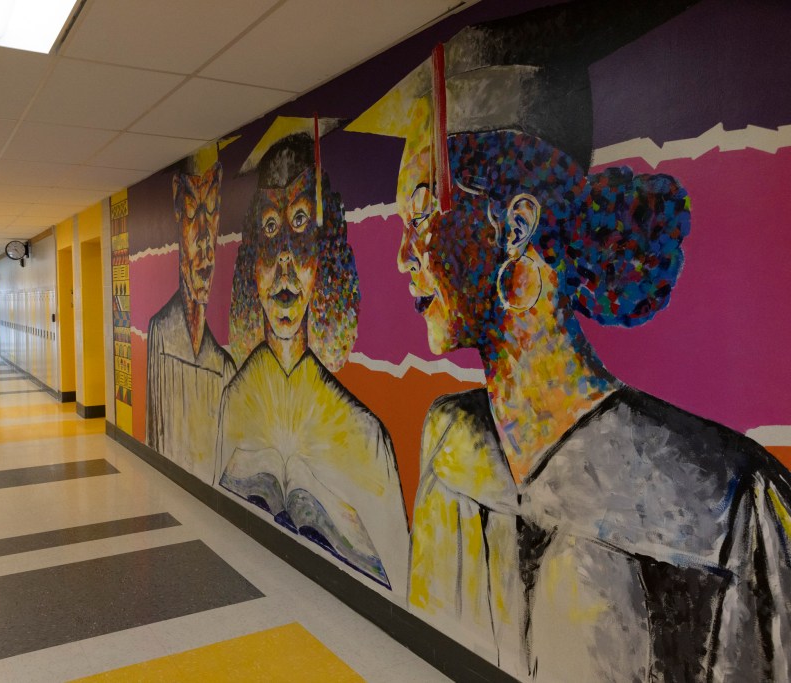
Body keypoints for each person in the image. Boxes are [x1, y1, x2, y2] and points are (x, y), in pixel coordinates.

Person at [347, 0, 791, 680]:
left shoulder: (724, 501)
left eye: (422, 212)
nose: (403, 254)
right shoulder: (449, 444)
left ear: (517, 225)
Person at [217, 117, 410, 593]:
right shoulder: (234, 398)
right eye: (269, 227)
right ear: (251, 258)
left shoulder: (366, 436)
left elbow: (404, 583)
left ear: (325, 251)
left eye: (300, 223)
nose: (284, 261)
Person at [146, 145, 235, 484]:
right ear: (175, 208)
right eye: (191, 210)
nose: (203, 238)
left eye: (211, 211)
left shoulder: (224, 368)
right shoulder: (160, 333)